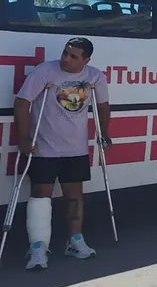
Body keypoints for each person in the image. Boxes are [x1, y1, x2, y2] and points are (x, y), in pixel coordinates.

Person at [13, 37, 112, 271]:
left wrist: (104, 133)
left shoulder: (95, 76)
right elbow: (22, 102)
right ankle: (38, 247)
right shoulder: (45, 71)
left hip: (75, 148)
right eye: (65, 53)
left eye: (73, 56)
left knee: (74, 195)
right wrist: (24, 138)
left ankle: (75, 240)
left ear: (86, 60)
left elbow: (103, 105)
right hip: (44, 146)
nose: (66, 58)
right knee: (40, 194)